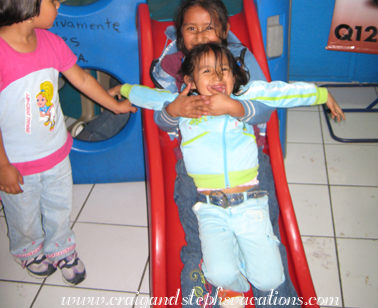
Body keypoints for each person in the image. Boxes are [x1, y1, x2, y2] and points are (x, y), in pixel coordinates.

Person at [113, 42, 344, 306]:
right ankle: (235, 283)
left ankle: (246, 257)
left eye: (225, 70)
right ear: (190, 80)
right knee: (218, 274)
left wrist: (321, 94)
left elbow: (281, 92)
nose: (218, 76)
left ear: (235, 77)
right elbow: (151, 100)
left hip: (251, 204)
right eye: (207, 71)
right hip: (210, 208)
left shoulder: (244, 98)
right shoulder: (185, 105)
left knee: (269, 281)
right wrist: (126, 90)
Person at [0, 0, 137, 286]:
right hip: (16, 161)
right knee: (22, 213)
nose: (58, 4)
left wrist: (113, 106)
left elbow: (83, 81)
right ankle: (27, 248)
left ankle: (61, 246)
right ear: (28, 5)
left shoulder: (50, 43)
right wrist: (2, 165)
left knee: (59, 205)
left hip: (56, 151)